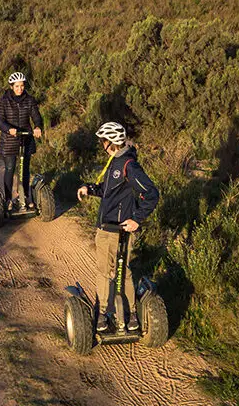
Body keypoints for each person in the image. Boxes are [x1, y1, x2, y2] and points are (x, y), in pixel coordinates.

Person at [77, 122, 160, 333]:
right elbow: (109, 190)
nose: (101, 145)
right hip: (109, 226)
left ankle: (107, 315)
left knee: (109, 272)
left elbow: (151, 193)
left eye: (102, 141)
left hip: (115, 230)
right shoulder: (116, 162)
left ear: (109, 143)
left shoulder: (128, 165)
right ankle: (127, 315)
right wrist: (90, 188)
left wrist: (137, 219)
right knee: (121, 272)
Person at [0, 72, 43, 211]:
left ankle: (24, 196)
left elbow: (36, 116)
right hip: (9, 139)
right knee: (10, 168)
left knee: (25, 169)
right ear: (11, 86)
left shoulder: (29, 100)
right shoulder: (4, 100)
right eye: (17, 86)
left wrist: (38, 127)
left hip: (26, 137)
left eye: (22, 86)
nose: (20, 89)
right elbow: (0, 120)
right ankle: (8, 199)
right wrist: (8, 129)